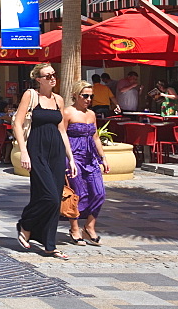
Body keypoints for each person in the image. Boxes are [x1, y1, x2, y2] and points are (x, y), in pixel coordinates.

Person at [13, 63, 77, 260]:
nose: (52, 78)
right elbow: (17, 122)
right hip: (37, 149)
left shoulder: (58, 99)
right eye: (47, 76)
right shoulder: (31, 95)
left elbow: (61, 130)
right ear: (38, 79)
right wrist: (24, 152)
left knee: (54, 198)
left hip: (56, 151)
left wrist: (71, 158)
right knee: (48, 196)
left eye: (53, 75)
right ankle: (26, 224)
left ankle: (49, 245)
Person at [62, 80, 108, 246]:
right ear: (75, 95)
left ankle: (89, 226)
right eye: (85, 95)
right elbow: (63, 135)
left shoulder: (91, 114)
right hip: (74, 157)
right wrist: (69, 159)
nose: (89, 99)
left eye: (91, 96)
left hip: (90, 158)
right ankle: (74, 228)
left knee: (99, 192)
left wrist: (103, 157)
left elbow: (95, 137)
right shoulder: (67, 112)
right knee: (78, 194)